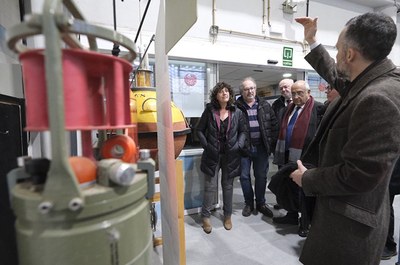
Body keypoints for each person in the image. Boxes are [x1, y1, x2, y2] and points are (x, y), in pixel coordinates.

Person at [291, 12, 400, 265]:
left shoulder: (378, 98)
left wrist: (307, 178)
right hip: (347, 212)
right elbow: (337, 75)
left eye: (338, 49)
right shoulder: (371, 80)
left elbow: (359, 175)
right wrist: (312, 41)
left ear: (350, 54)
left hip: (350, 227)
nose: (337, 54)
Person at [271, 80, 324, 237]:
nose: (295, 96)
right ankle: (292, 216)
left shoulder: (318, 108)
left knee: (304, 192)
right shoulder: (288, 109)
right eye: (293, 93)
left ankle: (305, 223)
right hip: (287, 156)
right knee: (289, 188)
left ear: (308, 93)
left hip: (307, 158)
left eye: (299, 92)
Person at [197, 81, 247, 234]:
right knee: (210, 187)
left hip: (231, 156)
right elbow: (199, 130)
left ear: (230, 94)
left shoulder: (237, 112)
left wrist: (238, 145)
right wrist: (207, 146)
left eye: (227, 91)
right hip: (212, 155)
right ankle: (205, 216)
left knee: (228, 187)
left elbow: (243, 132)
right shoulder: (210, 111)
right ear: (216, 95)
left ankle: (227, 215)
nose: (224, 93)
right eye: (221, 91)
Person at [235, 77, 278, 218]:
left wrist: (271, 145)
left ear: (256, 89)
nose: (250, 91)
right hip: (244, 149)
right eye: (246, 89)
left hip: (261, 148)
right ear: (242, 91)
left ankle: (261, 203)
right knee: (244, 177)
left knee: (261, 176)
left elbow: (273, 125)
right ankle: (249, 203)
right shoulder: (236, 107)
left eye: (252, 88)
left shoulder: (265, 105)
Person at [382, 158, 400, 260]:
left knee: (386, 206)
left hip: (392, 174)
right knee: (386, 205)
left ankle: (389, 245)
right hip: (391, 171)